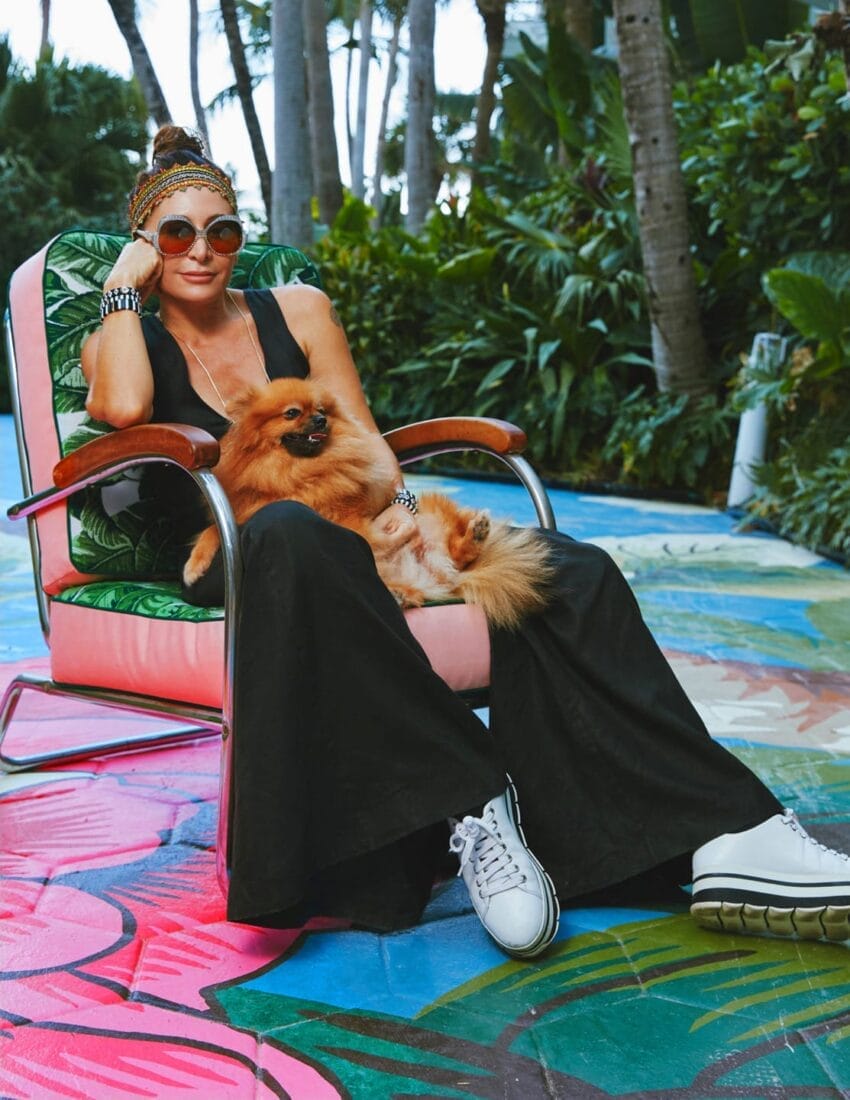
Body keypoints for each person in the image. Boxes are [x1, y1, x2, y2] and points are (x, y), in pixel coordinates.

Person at [81, 126, 850, 957]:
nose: (203, 249)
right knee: (299, 536)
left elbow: (367, 442)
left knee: (574, 572)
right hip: (234, 550)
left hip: (347, 534)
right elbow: (123, 410)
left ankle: (730, 834)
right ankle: (478, 802)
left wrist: (406, 511)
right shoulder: (121, 338)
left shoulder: (297, 310)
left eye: (222, 230)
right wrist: (124, 291)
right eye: (177, 233)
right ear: (148, 248)